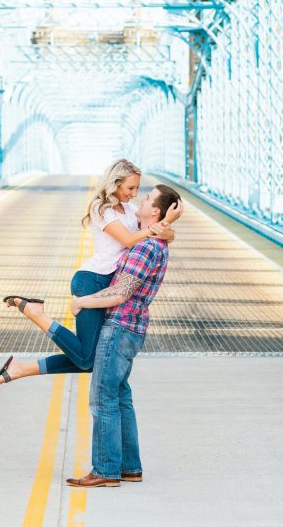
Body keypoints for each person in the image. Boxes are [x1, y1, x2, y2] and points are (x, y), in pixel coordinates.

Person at [0, 160, 181, 392]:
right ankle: (35, 313)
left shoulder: (130, 210)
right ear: (115, 184)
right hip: (92, 280)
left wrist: (167, 229)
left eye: (138, 189)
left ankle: (19, 368)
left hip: (109, 284)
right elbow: (131, 239)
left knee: (91, 360)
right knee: (88, 358)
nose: (135, 194)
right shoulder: (101, 209)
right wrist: (166, 223)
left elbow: (152, 229)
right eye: (130, 188)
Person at [65, 184, 180, 488]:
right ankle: (130, 467)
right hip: (133, 328)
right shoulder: (154, 241)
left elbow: (121, 291)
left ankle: (105, 470)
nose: (140, 199)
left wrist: (82, 302)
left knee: (102, 398)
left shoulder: (145, 247)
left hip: (120, 326)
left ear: (155, 210)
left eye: (147, 198)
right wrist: (169, 222)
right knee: (121, 397)